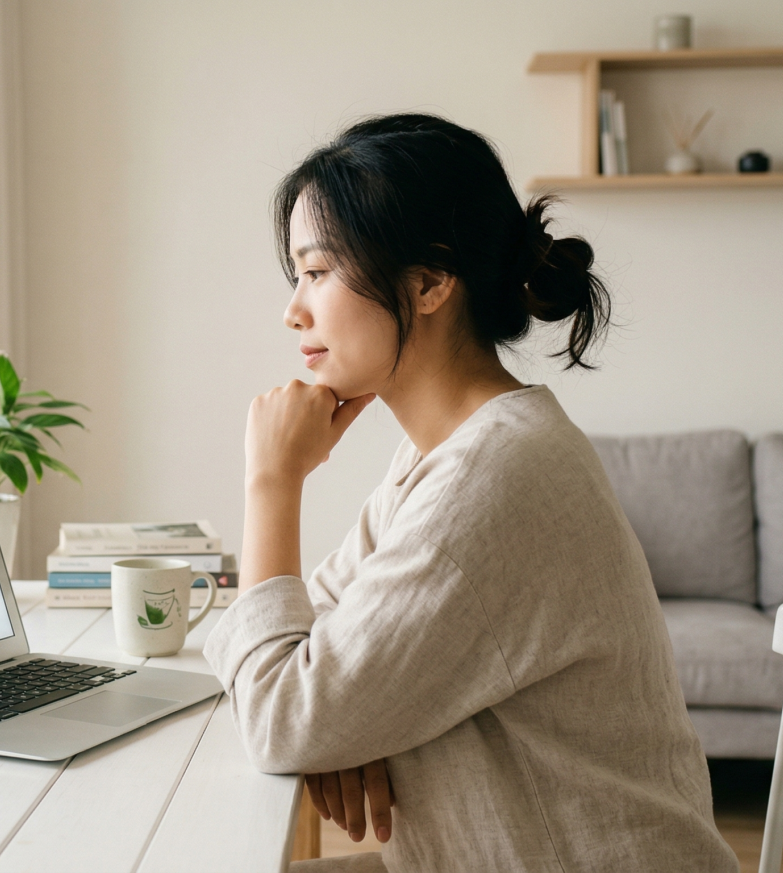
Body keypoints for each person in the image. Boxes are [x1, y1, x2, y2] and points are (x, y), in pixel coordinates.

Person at [202, 114, 739, 871]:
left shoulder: (493, 479)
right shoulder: (447, 452)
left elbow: (282, 711)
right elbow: (309, 644)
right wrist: (340, 723)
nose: (293, 310)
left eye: (318, 271)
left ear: (428, 282)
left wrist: (272, 480)